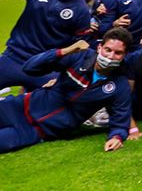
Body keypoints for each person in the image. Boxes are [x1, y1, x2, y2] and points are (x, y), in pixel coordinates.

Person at [0, 28, 133, 153]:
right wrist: (65, 51)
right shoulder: (80, 56)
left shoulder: (119, 86)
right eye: (107, 50)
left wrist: (117, 137)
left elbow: (120, 120)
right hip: (20, 106)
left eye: (118, 53)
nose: (110, 56)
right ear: (99, 48)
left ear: (125, 55)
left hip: (38, 130)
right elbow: (29, 68)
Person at [0, 0, 92, 90]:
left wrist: (61, 76)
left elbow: (79, 49)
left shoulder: (82, 11)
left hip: (44, 69)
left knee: (45, 107)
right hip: (12, 59)